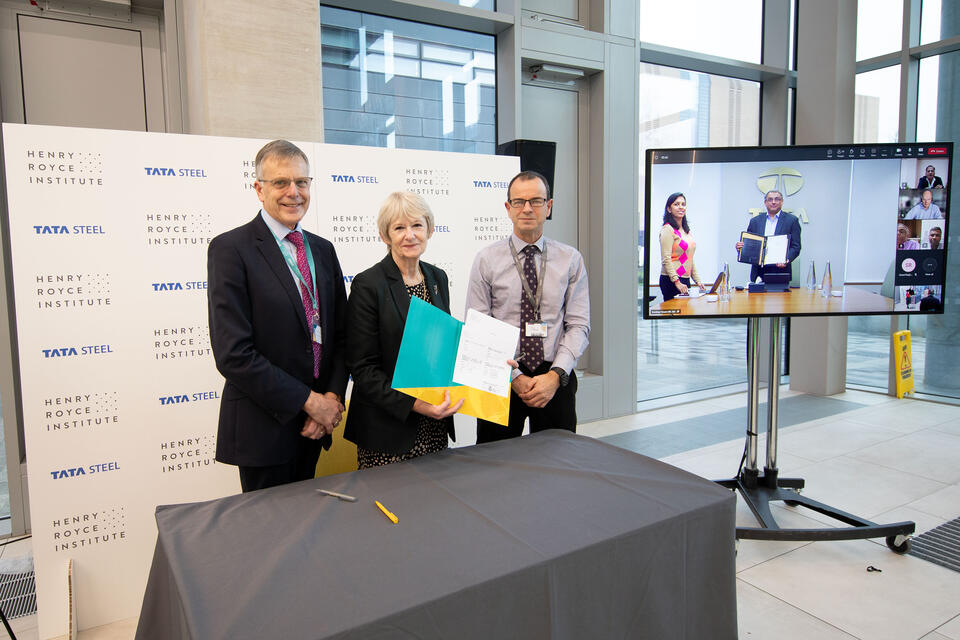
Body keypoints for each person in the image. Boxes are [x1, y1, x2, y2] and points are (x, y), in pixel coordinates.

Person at [207, 140, 348, 493]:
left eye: (302, 182)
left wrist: (330, 398)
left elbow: (341, 335)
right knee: (268, 541)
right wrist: (309, 402)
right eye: (280, 183)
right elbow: (233, 354)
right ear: (259, 189)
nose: (293, 192)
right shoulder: (230, 249)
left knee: (306, 535)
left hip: (315, 427)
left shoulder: (322, 249)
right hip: (263, 432)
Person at [465, 170, 590, 443]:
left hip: (555, 377)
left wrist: (556, 375)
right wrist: (514, 376)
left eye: (536, 201)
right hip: (501, 376)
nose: (527, 208)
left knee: (558, 462)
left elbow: (578, 324)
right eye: (519, 202)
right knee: (494, 464)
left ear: (549, 206)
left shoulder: (571, 259)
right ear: (508, 208)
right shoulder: (486, 260)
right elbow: (479, 327)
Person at [343, 192, 462, 468]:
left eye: (417, 225)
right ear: (386, 236)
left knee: (435, 505)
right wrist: (418, 405)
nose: (410, 235)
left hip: (435, 424)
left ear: (430, 229)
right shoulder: (368, 284)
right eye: (399, 227)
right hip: (388, 429)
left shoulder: (437, 277)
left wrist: (489, 365)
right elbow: (363, 369)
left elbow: (444, 346)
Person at [735, 190, 802, 283]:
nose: (773, 202)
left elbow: (796, 246)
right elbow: (749, 244)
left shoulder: (792, 220)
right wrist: (741, 247)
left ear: (782, 202)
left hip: (780, 272)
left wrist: (787, 259)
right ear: (765, 202)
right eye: (770, 199)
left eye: (777, 199)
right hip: (758, 272)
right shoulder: (755, 221)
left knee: (781, 298)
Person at [658, 192, 706, 301]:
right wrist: (676, 281)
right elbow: (666, 259)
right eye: (676, 204)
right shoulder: (668, 230)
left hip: (684, 279)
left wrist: (697, 281)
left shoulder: (686, 232)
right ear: (669, 209)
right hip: (672, 280)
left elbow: (689, 258)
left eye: (683, 204)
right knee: (674, 316)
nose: (681, 207)